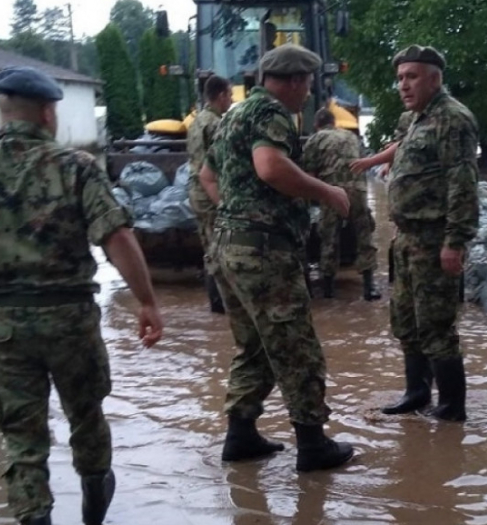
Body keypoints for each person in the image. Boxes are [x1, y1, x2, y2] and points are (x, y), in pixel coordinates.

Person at [0, 67, 164, 525]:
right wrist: (147, 301)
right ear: (49, 112)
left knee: (24, 444)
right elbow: (118, 237)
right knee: (87, 419)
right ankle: (93, 511)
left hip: (3, 325)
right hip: (70, 320)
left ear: (2, 112)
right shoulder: (77, 167)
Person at [199, 44, 355, 472]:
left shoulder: (233, 115)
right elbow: (269, 167)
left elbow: (207, 175)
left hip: (229, 247)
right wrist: (328, 192)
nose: (307, 93)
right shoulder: (272, 114)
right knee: (296, 347)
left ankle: (241, 435)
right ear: (294, 81)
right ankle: (312, 445)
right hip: (265, 251)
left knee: (255, 347)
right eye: (306, 84)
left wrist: (236, 215)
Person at [380, 45, 480, 421]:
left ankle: (452, 408)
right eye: (400, 78)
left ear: (435, 79)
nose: (403, 85)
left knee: (436, 325)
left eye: (412, 77)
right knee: (406, 322)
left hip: (435, 239)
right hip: (406, 240)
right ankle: (416, 393)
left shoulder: (454, 119)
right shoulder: (413, 120)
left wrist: (454, 243)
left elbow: (462, 183)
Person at [301, 108, 381, 301]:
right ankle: (369, 288)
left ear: (317, 124)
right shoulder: (351, 137)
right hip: (358, 190)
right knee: (364, 237)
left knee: (329, 238)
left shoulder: (315, 139)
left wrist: (310, 204)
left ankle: (328, 290)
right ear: (334, 122)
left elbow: (309, 177)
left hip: (333, 193)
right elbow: (363, 164)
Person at [188, 75, 232, 314]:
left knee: (209, 246)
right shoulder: (215, 124)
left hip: (196, 192)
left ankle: (215, 303)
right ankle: (221, 304)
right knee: (220, 248)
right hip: (210, 191)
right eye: (230, 95)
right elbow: (223, 162)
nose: (232, 100)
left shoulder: (196, 121)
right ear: (221, 96)